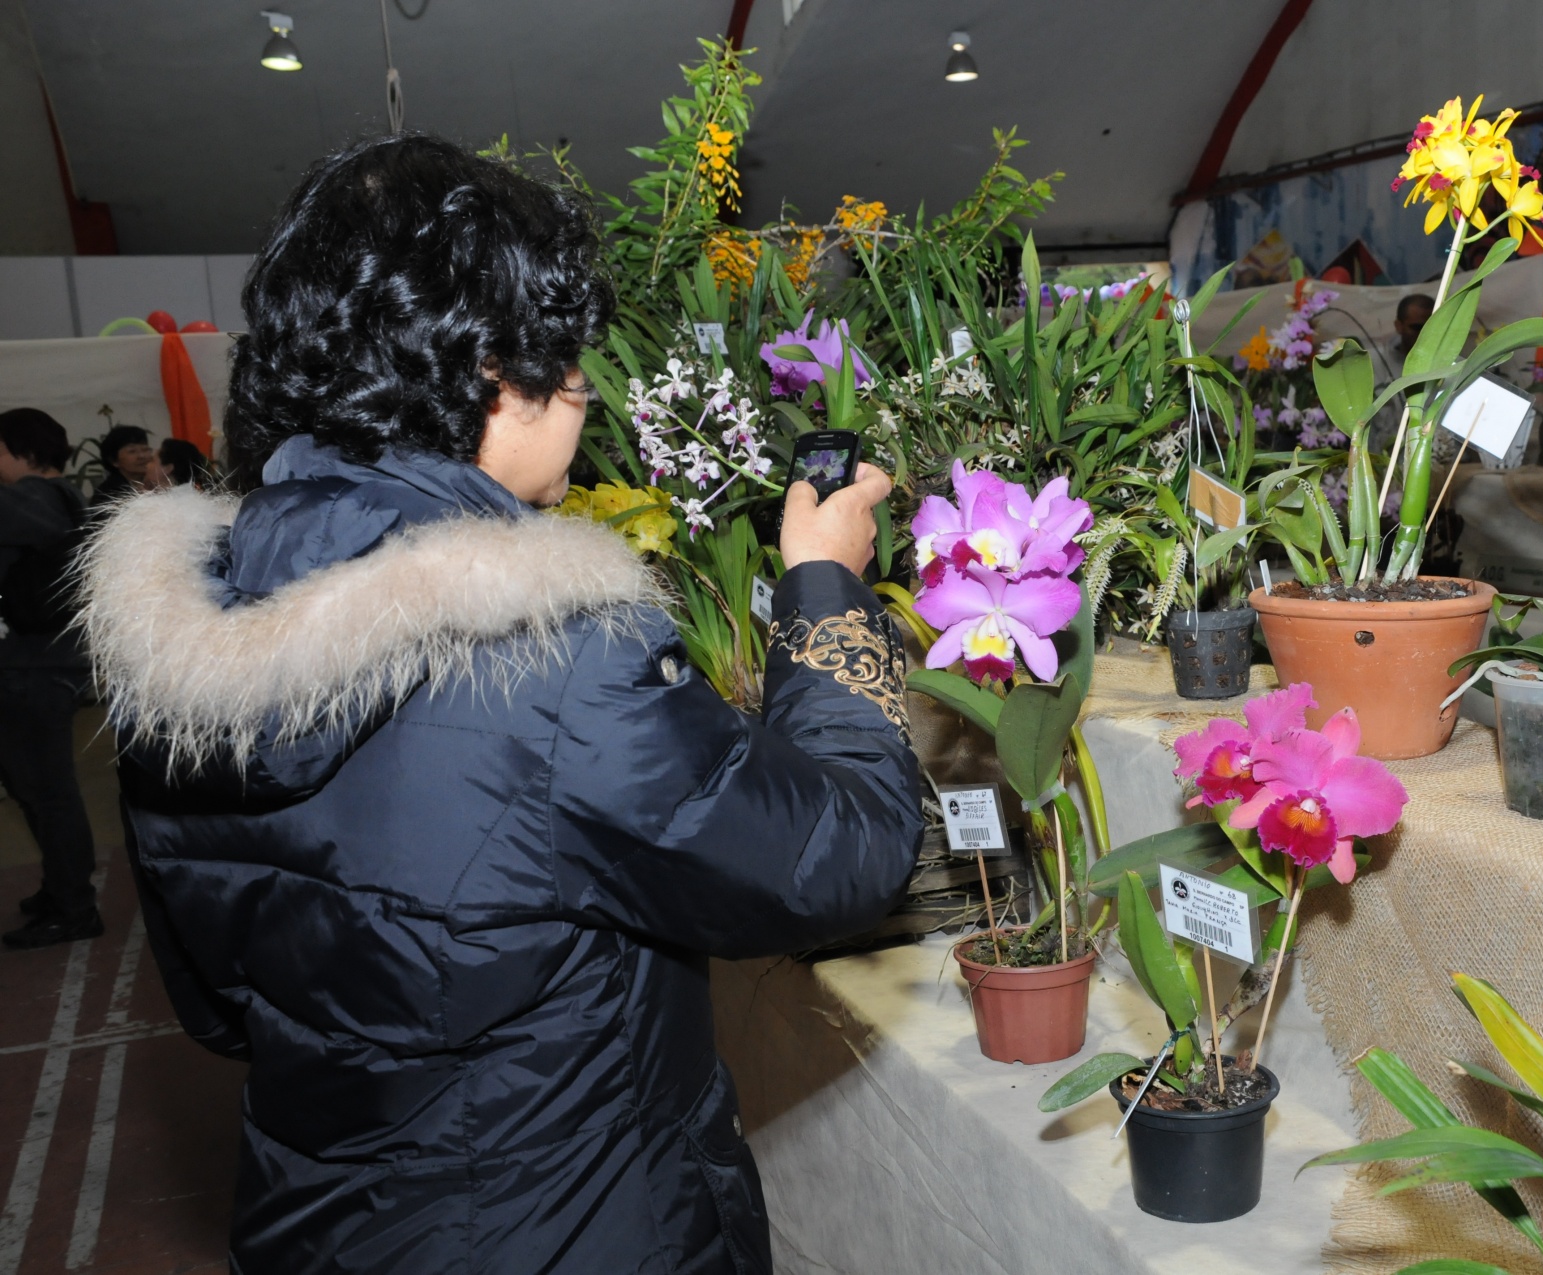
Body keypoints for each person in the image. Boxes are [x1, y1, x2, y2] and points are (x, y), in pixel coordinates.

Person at [77, 135, 922, 1274]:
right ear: (490, 373)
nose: (583, 396)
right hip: (575, 1234)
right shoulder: (547, 655)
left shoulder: (182, 628)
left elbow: (221, 1009)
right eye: (569, 366)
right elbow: (845, 856)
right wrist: (827, 585)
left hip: (319, 1228)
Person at [0, 408, 100, 948]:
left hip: (34, 668)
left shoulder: (34, 500)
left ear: (26, 454)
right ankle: (61, 889)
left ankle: (74, 906)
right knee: (38, 788)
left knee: (48, 792)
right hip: (43, 665)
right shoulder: (60, 498)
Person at [90, 423, 156, 509]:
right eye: (132, 451)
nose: (142, 456)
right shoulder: (109, 494)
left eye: (145, 449)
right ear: (114, 461)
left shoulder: (156, 483)